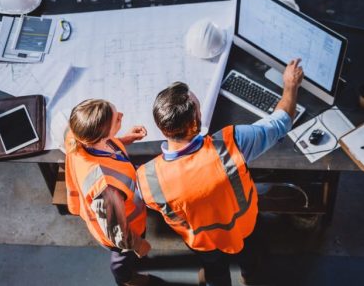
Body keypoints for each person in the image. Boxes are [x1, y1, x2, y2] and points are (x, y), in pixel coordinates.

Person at [137, 59, 304, 286]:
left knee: (214, 269)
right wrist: (290, 86)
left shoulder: (147, 178)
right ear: (195, 123)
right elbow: (281, 122)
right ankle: (249, 278)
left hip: (202, 242)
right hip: (245, 229)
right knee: (252, 260)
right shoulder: (231, 143)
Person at [64, 99, 160, 286]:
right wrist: (139, 245)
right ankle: (125, 279)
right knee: (121, 259)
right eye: (117, 119)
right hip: (125, 229)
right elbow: (117, 233)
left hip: (120, 216)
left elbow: (104, 146)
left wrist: (124, 139)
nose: (122, 115)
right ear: (100, 137)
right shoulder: (106, 187)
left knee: (128, 255)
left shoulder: (76, 136)